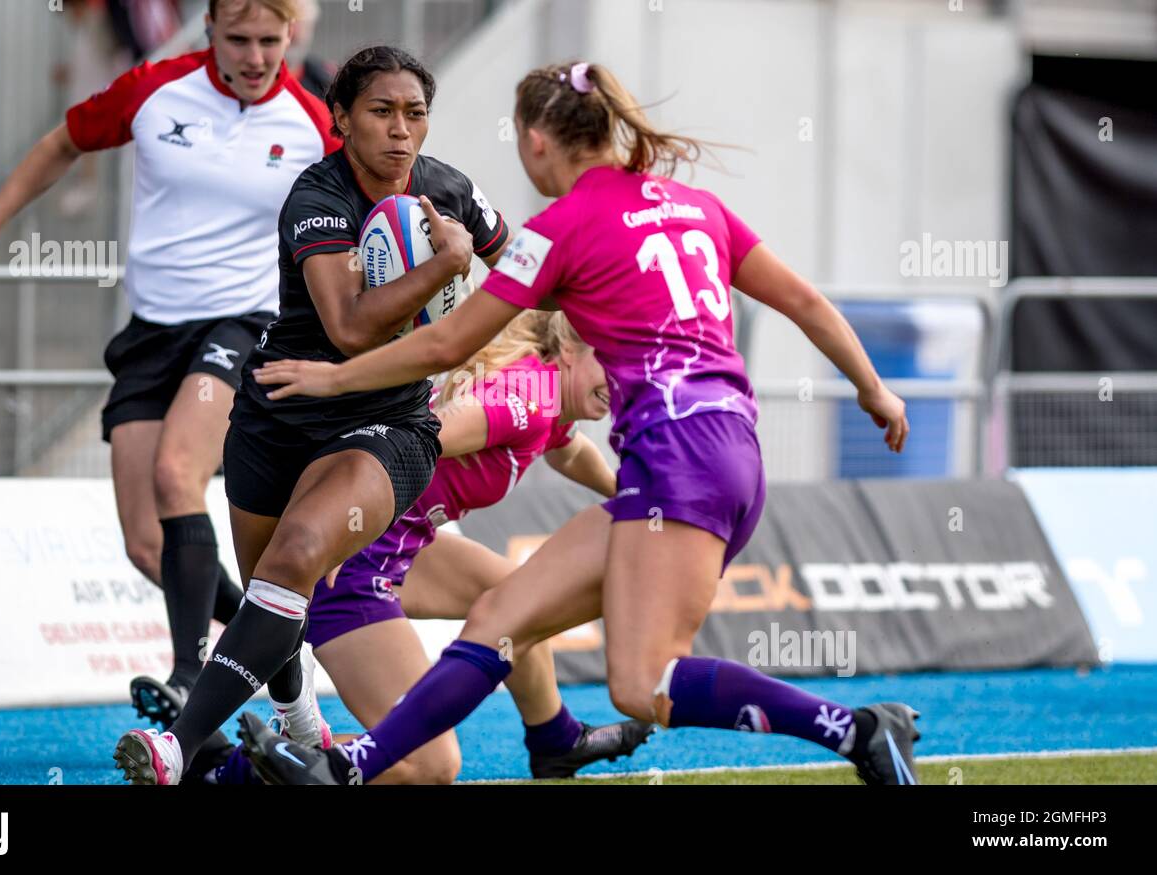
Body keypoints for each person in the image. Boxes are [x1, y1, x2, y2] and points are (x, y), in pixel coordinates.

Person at [240, 61, 923, 786]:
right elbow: (806, 301)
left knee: (642, 685)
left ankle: (855, 729)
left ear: (537, 141)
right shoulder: (696, 206)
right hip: (728, 449)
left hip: (675, 458)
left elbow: (446, 345)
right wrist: (874, 389)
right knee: (502, 613)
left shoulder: (557, 229)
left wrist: (335, 376)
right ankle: (356, 766)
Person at [111, 45, 515, 785]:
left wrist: (495, 338)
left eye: (415, 114)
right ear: (340, 119)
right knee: (273, 587)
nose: (401, 131)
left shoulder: (450, 190)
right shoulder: (316, 195)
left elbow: (520, 266)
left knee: (296, 551)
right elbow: (350, 327)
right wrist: (446, 268)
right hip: (277, 411)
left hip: (390, 425)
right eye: (381, 112)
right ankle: (300, 721)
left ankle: (178, 744)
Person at [0, 0, 340, 727]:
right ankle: (277, 643)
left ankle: (191, 675)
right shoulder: (155, 90)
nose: (255, 58)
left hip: (245, 326)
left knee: (175, 473)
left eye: (270, 41)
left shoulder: (313, 120)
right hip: (152, 333)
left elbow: (372, 204)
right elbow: (62, 141)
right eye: (239, 39)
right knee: (143, 540)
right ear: (210, 30)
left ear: (292, 36)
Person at [214, 311, 652, 783]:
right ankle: (227, 770)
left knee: (518, 597)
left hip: (393, 542)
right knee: (430, 766)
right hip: (356, 563)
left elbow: (569, 449)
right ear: (569, 350)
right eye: (612, 362)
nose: (623, 381)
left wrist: (628, 494)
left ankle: (557, 742)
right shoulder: (525, 399)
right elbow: (421, 436)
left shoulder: (546, 396)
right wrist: (336, 522)